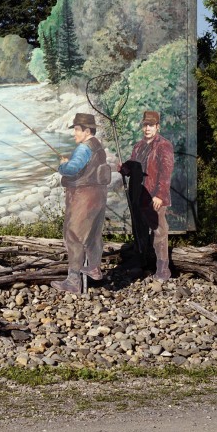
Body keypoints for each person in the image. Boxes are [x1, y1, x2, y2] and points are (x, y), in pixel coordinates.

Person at [52, 113, 111, 294]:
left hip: (83, 197)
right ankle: (94, 268)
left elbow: (72, 169)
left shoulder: (84, 148)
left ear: (86, 130)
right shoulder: (97, 146)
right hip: (99, 196)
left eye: (77, 129)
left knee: (74, 236)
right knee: (93, 235)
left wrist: (63, 165)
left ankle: (73, 281)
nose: (74, 134)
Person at [120, 110, 175, 281]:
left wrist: (160, 195)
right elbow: (133, 169)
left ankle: (163, 269)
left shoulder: (164, 146)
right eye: (145, 125)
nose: (147, 128)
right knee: (139, 232)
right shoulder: (138, 146)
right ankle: (141, 265)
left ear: (157, 127)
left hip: (154, 197)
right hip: (138, 196)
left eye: (151, 125)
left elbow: (166, 173)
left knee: (159, 232)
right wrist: (125, 169)